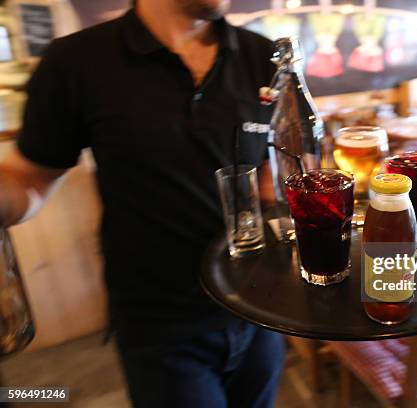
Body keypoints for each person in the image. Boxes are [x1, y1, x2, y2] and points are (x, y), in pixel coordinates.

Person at [0, 0, 285, 406]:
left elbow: (269, 168)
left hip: (258, 308)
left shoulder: (263, 55)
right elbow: (28, 177)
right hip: (162, 327)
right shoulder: (77, 61)